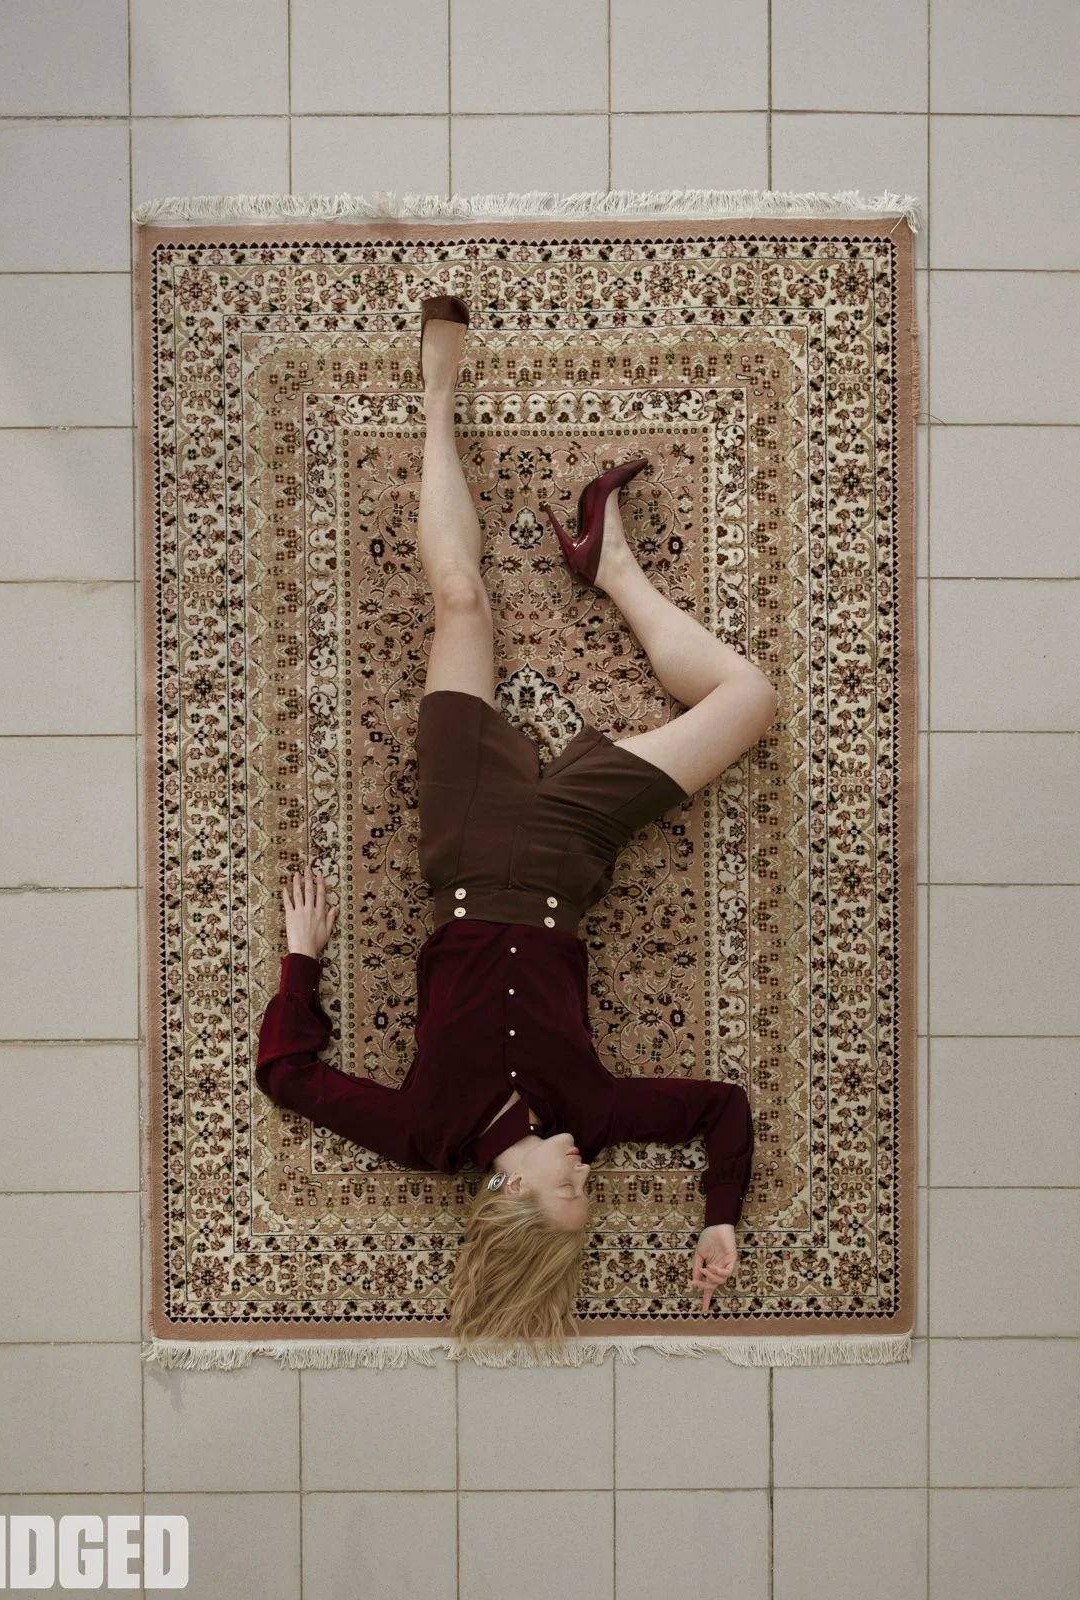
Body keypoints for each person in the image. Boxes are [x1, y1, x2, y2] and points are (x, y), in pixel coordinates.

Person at [255, 295, 779, 1359]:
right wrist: (719, 1214)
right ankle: (610, 565)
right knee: (751, 699)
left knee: (461, 599)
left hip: (463, 840)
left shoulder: (427, 1131)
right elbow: (721, 1107)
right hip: (571, 852)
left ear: (510, 1190)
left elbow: (289, 1078)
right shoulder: (592, 1110)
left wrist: (301, 962)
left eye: (567, 1190)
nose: (586, 1172)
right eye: (590, 1188)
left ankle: (436, 397)